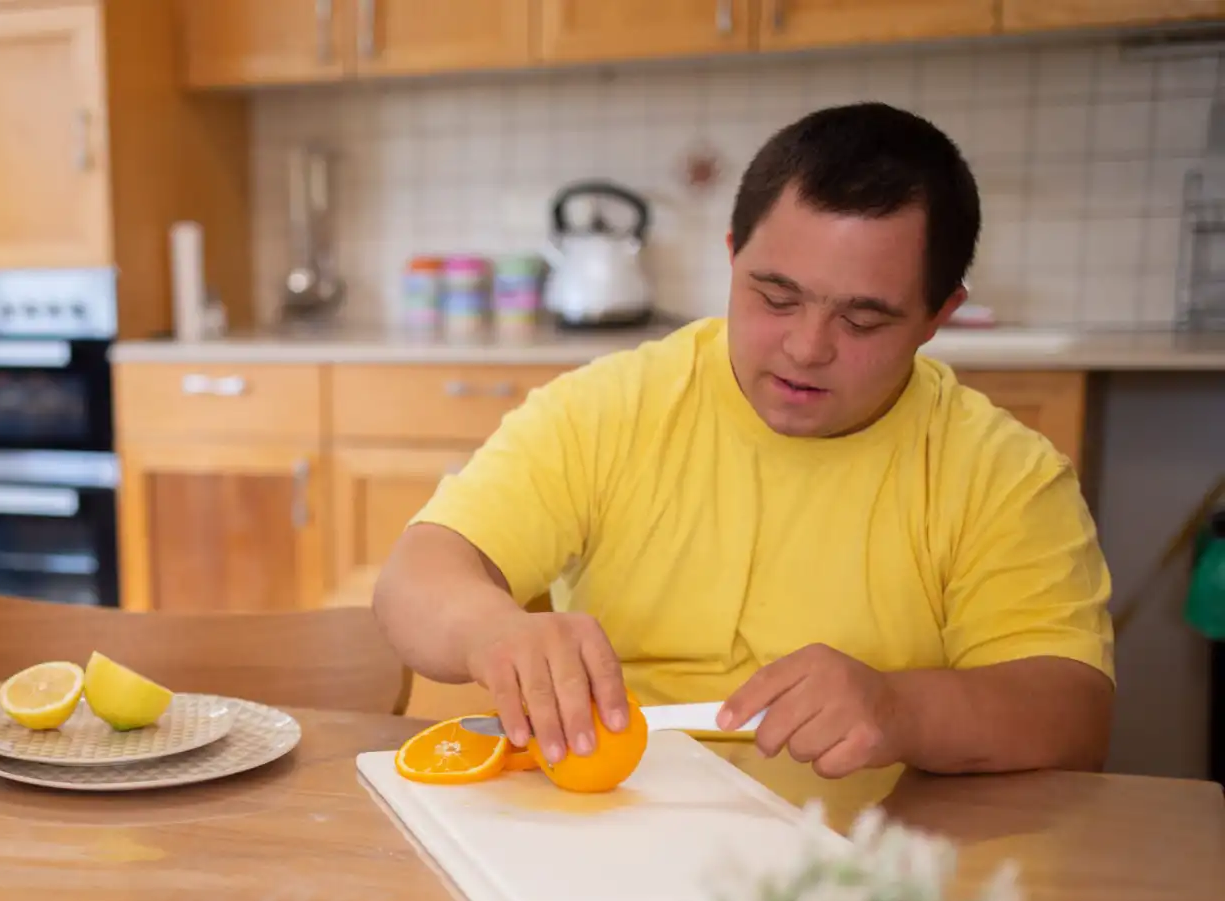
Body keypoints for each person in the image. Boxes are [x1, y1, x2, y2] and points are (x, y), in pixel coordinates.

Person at [375, 102, 1113, 779]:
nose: (806, 347)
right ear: (731, 258)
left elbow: (1072, 713)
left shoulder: (1003, 475)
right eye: (775, 297)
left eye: (863, 320)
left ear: (937, 316)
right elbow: (417, 574)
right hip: (615, 818)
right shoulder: (612, 407)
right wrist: (492, 631)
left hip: (865, 855)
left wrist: (902, 709)